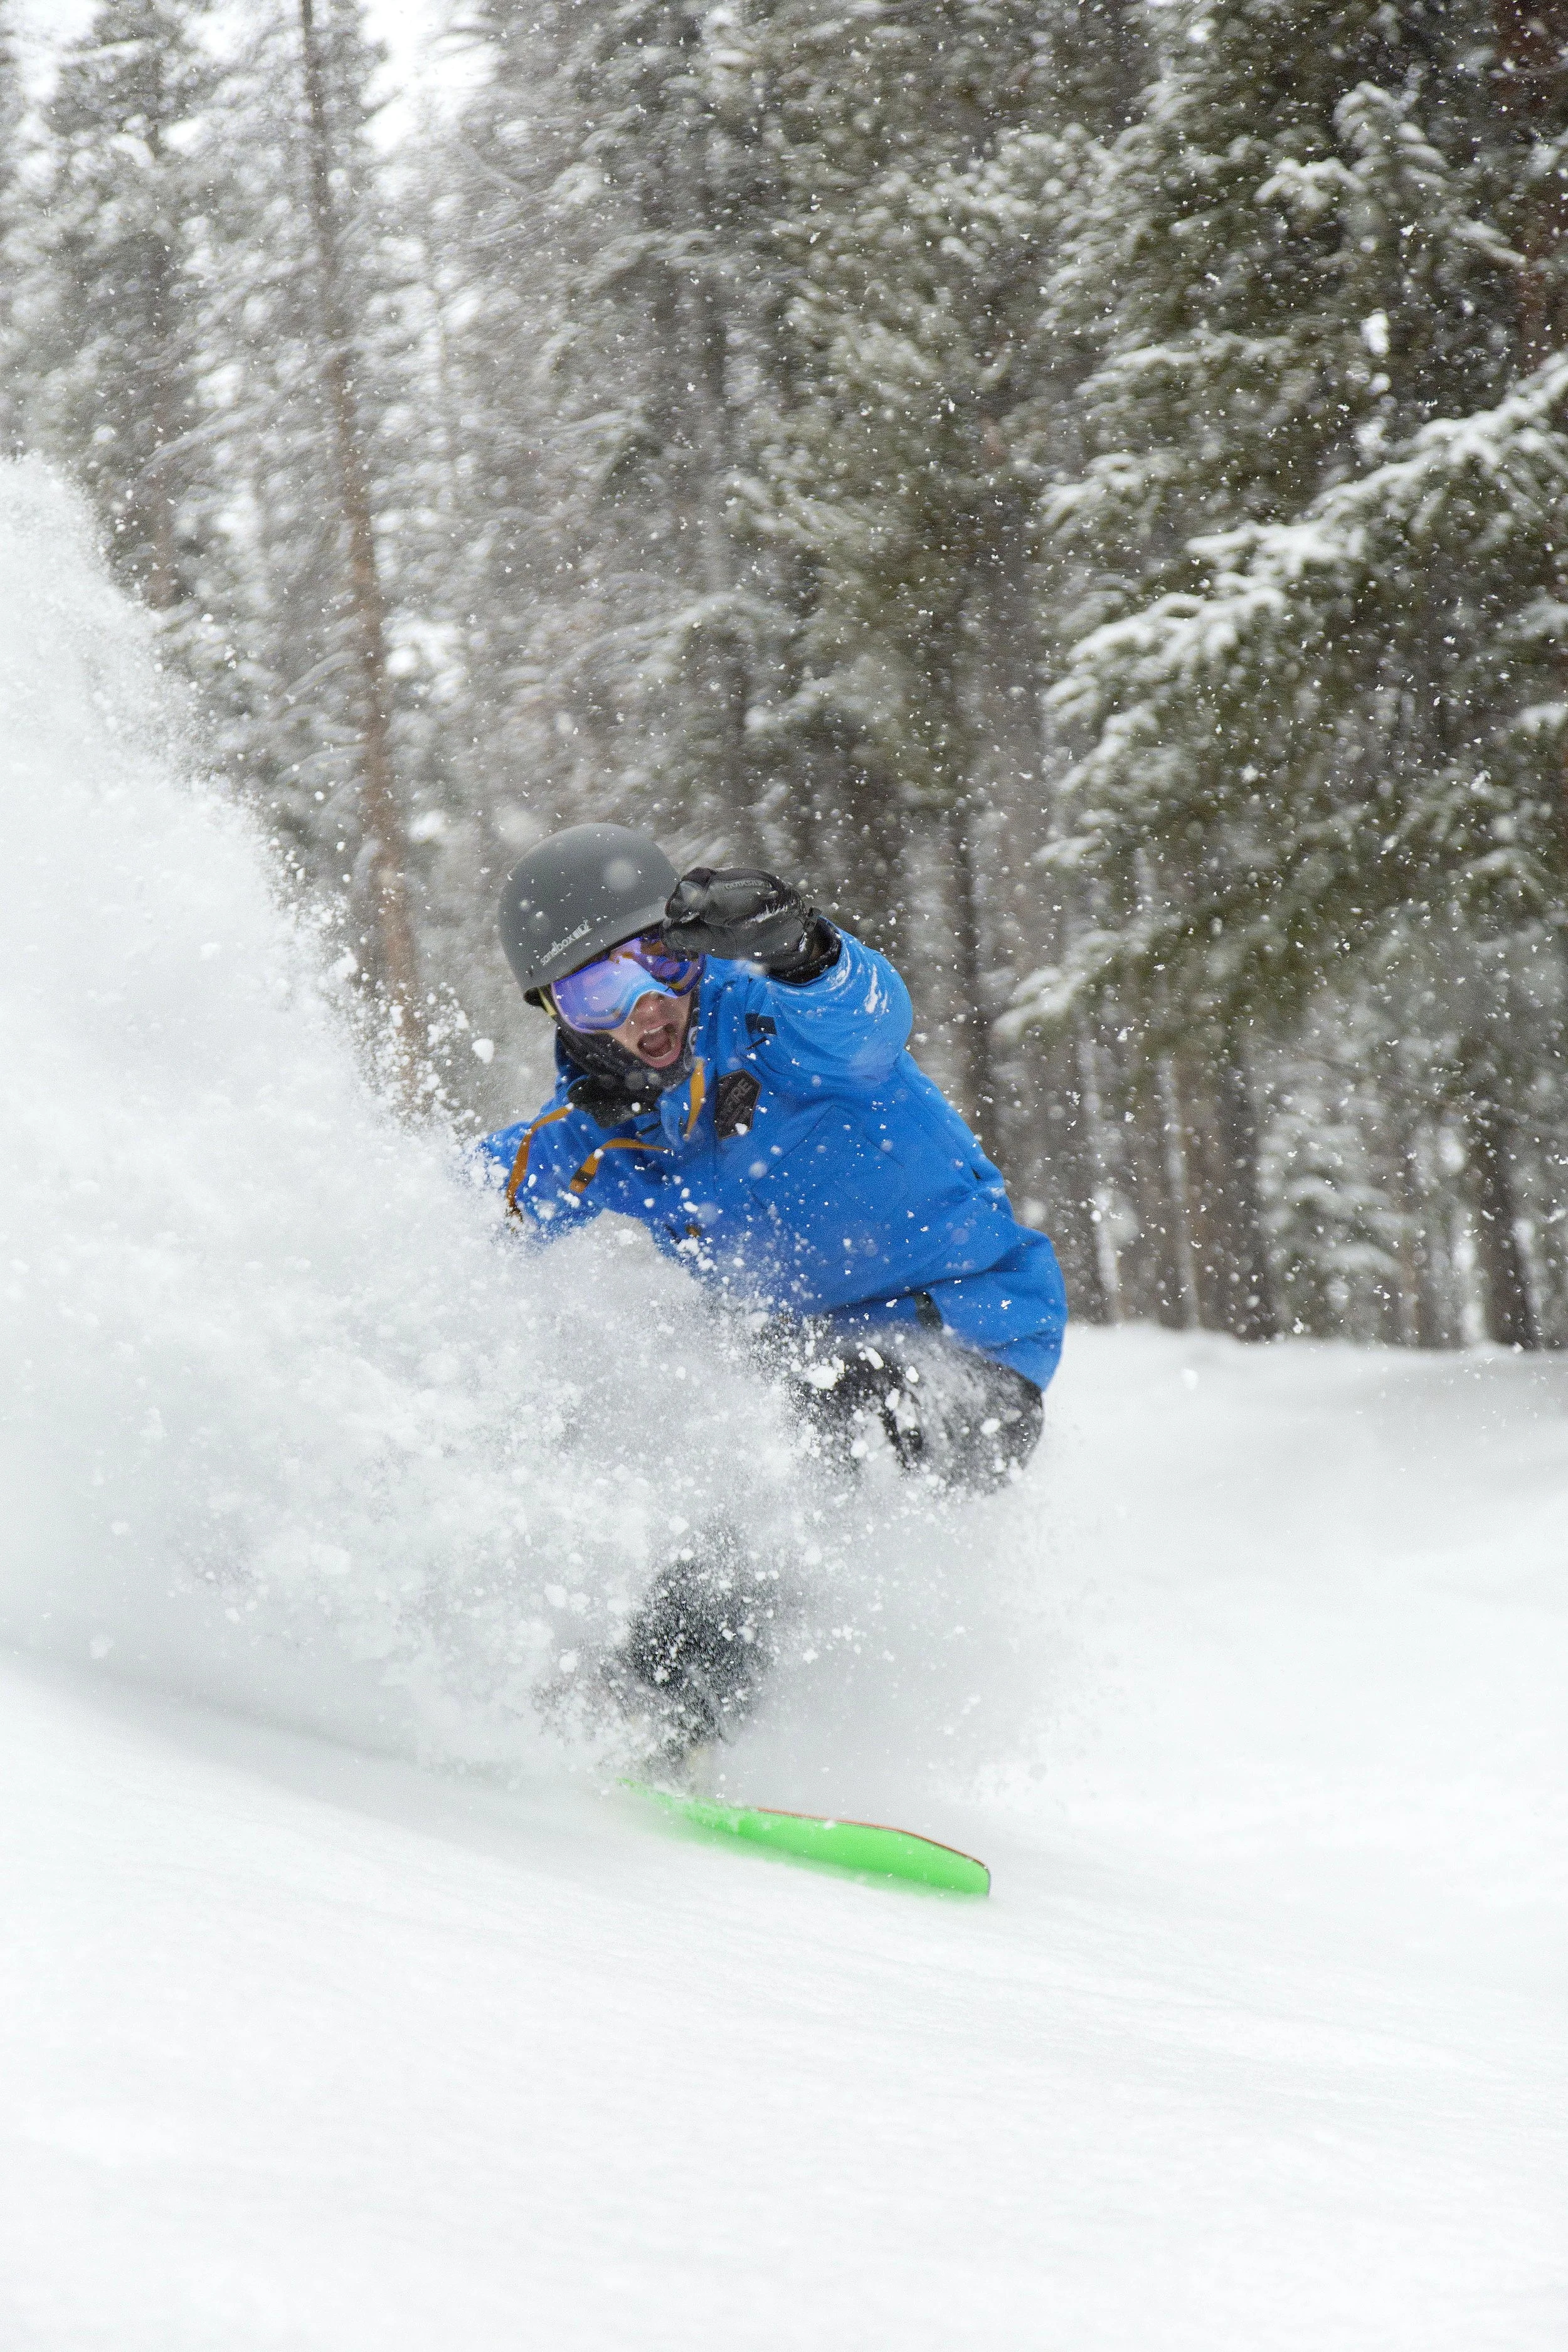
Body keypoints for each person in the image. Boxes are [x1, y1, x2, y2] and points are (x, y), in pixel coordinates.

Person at [477, 822, 1067, 1751]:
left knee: (803, 1439)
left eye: (656, 963)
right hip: (800, 1357)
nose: (644, 1007)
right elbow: (466, 1207)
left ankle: (672, 1708)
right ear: (556, 1010)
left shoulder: (768, 1023)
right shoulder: (599, 1135)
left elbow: (867, 1022)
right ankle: (595, 1665)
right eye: (599, 989)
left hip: (973, 1347)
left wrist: (804, 950)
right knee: (635, 1401)